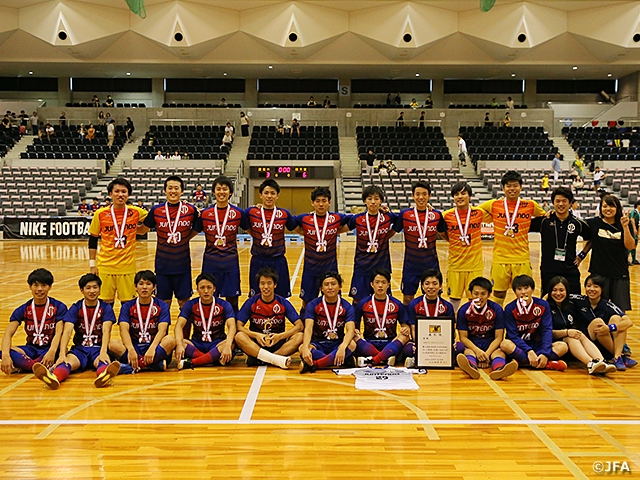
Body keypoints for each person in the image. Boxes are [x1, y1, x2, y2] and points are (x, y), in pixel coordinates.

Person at [34, 274, 124, 389]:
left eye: (95, 287)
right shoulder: (76, 307)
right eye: (88, 288)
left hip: (97, 348)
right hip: (80, 349)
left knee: (102, 362)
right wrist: (62, 354)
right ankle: (54, 378)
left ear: (100, 290)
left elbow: (107, 331)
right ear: (82, 290)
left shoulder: (106, 308)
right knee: (67, 363)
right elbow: (67, 332)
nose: (92, 291)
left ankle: (104, 376)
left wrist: (103, 351)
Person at [479, 171, 546, 306]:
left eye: (515, 185)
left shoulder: (530, 205)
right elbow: (471, 212)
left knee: (524, 293)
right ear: (503, 188)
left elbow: (545, 216)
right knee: (498, 293)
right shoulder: (493, 205)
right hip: (500, 258)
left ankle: (523, 321)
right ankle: (497, 321)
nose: (512, 189)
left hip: (521, 258)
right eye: (508, 186)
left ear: (521, 187)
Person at [139, 176, 199, 310]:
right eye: (170, 188)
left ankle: (183, 332)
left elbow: (199, 226)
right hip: (162, 266)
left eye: (176, 188)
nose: (173, 191)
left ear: (182, 191)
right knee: (163, 304)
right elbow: (142, 230)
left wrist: (186, 237)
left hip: (182, 266)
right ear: (165, 191)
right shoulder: (156, 210)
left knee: (184, 305)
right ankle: (163, 332)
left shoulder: (191, 210)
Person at [88, 178, 148, 305]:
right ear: (110, 194)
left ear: (128, 194)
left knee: (128, 306)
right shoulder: (100, 213)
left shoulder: (136, 212)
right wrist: (92, 264)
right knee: (105, 306)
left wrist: (141, 230)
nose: (120, 195)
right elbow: (93, 238)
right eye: (117, 191)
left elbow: (153, 219)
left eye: (124, 192)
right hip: (105, 267)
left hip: (127, 268)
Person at [195, 176, 250, 313]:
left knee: (232, 301)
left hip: (230, 264)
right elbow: (190, 234)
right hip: (210, 263)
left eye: (225, 189)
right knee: (208, 300)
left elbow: (253, 232)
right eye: (218, 189)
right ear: (214, 192)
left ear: (230, 192)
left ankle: (233, 333)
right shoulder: (205, 214)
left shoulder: (238, 213)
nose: (221, 192)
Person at [292, 187, 350, 311]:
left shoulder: (336, 218)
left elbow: (356, 220)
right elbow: (289, 223)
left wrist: (382, 211)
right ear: (312, 203)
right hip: (310, 269)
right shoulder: (304, 219)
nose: (321, 204)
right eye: (317, 201)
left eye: (324, 200)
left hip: (330, 269)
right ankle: (306, 325)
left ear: (329, 202)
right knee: (307, 301)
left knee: (333, 301)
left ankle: (332, 325)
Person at [0, 269, 67, 376]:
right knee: (5, 351)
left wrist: (52, 351)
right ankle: (37, 366)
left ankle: (26, 366)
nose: (39, 289)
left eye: (44, 285)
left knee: (59, 353)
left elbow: (60, 333)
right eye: (36, 285)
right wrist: (5, 355)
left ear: (50, 287)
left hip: (50, 348)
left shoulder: (58, 307)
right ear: (30, 287)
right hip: (31, 349)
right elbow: (8, 333)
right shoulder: (23, 309)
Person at [235, 267, 304, 368]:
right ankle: (275, 359)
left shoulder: (282, 302)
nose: (266, 287)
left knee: (300, 336)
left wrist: (280, 336)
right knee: (239, 336)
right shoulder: (251, 302)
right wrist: (256, 336)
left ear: (275, 285)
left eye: (269, 283)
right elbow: (238, 326)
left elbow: (299, 325)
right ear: (259, 285)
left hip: (278, 344)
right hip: (257, 344)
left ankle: (261, 359)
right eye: (262, 283)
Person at [547, 276, 616, 375]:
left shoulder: (571, 306)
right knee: (571, 337)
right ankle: (590, 363)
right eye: (554, 290)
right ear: (550, 292)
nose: (558, 293)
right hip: (556, 345)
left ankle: (601, 361)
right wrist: (566, 332)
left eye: (562, 290)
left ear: (567, 292)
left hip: (572, 345)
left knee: (579, 334)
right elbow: (546, 333)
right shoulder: (545, 307)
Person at [109, 270, 176, 372]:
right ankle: (153, 365)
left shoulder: (162, 306)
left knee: (170, 340)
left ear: (154, 287)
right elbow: (123, 330)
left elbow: (162, 331)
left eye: (148, 284)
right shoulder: (127, 306)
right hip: (135, 347)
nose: (144, 287)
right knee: (113, 344)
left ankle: (130, 367)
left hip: (154, 347)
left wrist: (153, 348)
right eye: (141, 284)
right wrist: (131, 349)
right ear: (135, 287)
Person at [500, 275, 569, 371]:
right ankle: (547, 364)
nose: (523, 292)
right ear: (515, 292)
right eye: (519, 289)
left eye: (526, 288)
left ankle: (523, 362)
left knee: (563, 346)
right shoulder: (510, 308)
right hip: (520, 346)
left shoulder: (543, 305)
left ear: (532, 289)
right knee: (505, 344)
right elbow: (513, 335)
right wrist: (529, 351)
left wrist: (544, 353)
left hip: (538, 345)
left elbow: (547, 330)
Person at [531, 187, 591, 297]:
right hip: (549, 270)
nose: (561, 204)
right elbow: (522, 225)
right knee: (548, 301)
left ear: (570, 203)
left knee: (574, 300)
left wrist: (581, 255)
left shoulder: (577, 223)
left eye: (564, 201)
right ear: (553, 203)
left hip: (570, 269)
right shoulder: (544, 221)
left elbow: (592, 238)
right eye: (557, 201)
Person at [456, 277, 518, 380]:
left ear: (489, 294)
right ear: (471, 293)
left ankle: (499, 370)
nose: (479, 297)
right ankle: (471, 368)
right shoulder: (463, 310)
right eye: (476, 294)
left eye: (483, 294)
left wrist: (487, 354)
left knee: (500, 353)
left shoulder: (497, 309)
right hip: (472, 345)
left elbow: (499, 337)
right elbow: (463, 338)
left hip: (491, 345)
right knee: (467, 352)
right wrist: (478, 351)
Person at [441, 182, 491, 311]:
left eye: (463, 193)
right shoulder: (446, 215)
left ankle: (473, 326)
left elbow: (495, 208)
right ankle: (452, 326)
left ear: (469, 196)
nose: (460, 197)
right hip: (455, 265)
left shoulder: (479, 213)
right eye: (456, 194)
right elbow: (442, 232)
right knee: (454, 298)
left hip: (475, 266)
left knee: (475, 298)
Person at [395, 181, 446, 305]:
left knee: (433, 298)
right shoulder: (405, 214)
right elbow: (392, 231)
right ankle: (407, 324)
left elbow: (446, 235)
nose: (421, 197)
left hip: (431, 264)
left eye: (424, 194)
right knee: (407, 298)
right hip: (410, 265)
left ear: (429, 196)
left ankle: (431, 322)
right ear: (413, 196)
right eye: (417, 194)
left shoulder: (437, 215)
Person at [245, 179, 298, 298]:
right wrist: (254, 234)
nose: (269, 196)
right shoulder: (251, 212)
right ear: (260, 195)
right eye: (266, 193)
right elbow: (242, 223)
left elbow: (297, 229)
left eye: (273, 193)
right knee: (256, 297)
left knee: (280, 296)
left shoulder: (284, 214)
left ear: (277, 196)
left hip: (278, 260)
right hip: (258, 260)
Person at [581, 194, 635, 311]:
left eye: (611, 206)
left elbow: (630, 246)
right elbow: (588, 239)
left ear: (617, 208)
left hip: (619, 273)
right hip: (599, 272)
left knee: (619, 310)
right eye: (604, 206)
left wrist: (625, 227)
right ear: (600, 208)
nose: (608, 209)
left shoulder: (625, 223)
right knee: (597, 307)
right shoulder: (594, 223)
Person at [345, 185, 398, 304]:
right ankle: (356, 323)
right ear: (364, 201)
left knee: (383, 299)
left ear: (381, 201)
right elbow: (340, 227)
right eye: (369, 198)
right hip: (362, 266)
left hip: (382, 265)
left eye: (376, 198)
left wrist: (388, 235)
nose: (373, 202)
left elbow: (402, 220)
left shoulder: (388, 216)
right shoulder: (357, 219)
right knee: (358, 300)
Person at [571, 274, 636, 370]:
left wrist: (609, 328)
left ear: (602, 289)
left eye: (596, 286)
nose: (591, 289)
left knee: (616, 319)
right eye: (588, 286)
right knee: (598, 322)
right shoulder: (579, 299)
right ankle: (621, 357)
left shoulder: (607, 305)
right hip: (588, 342)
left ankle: (617, 356)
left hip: (605, 344)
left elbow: (628, 322)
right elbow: (556, 294)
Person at [174, 273, 236, 370]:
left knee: (232, 343)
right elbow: (178, 326)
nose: (206, 291)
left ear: (214, 289)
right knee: (177, 341)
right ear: (197, 289)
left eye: (209, 287)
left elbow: (232, 326)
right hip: (197, 344)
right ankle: (212, 358)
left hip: (217, 343)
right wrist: (179, 344)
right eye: (202, 287)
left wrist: (227, 345)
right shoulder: (191, 305)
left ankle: (193, 362)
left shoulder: (224, 305)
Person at [299, 272, 356, 373]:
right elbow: (308, 328)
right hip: (317, 343)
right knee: (302, 348)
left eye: (333, 284)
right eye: (326, 284)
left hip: (337, 343)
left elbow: (351, 330)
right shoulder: (313, 305)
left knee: (352, 344)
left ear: (340, 287)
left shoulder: (347, 307)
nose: (330, 287)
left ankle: (316, 364)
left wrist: (342, 347)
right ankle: (342, 361)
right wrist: (306, 348)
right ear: (321, 288)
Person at [354, 269, 411, 367]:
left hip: (390, 343)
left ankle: (373, 359)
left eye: (383, 282)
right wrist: (355, 331)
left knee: (405, 336)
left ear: (388, 285)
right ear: (372, 284)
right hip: (369, 342)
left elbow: (405, 325)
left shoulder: (397, 304)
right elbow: (355, 326)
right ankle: (385, 358)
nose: (380, 286)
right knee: (352, 336)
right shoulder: (363, 304)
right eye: (377, 282)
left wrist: (405, 329)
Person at [405, 269, 455, 367]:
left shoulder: (447, 306)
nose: (431, 287)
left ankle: (416, 360)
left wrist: (450, 343)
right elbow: (413, 329)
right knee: (407, 349)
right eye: (427, 283)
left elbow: (451, 330)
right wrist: (418, 344)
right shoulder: (414, 304)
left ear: (440, 286)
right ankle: (418, 357)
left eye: (435, 283)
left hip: (441, 344)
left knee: (460, 347)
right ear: (422, 286)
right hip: (422, 343)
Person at [627, 200, 640, 265]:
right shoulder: (634, 211)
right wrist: (634, 228)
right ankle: (626, 259)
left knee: (635, 245)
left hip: (636, 230)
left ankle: (634, 259)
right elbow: (632, 219)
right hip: (631, 230)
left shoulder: (639, 213)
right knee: (631, 244)